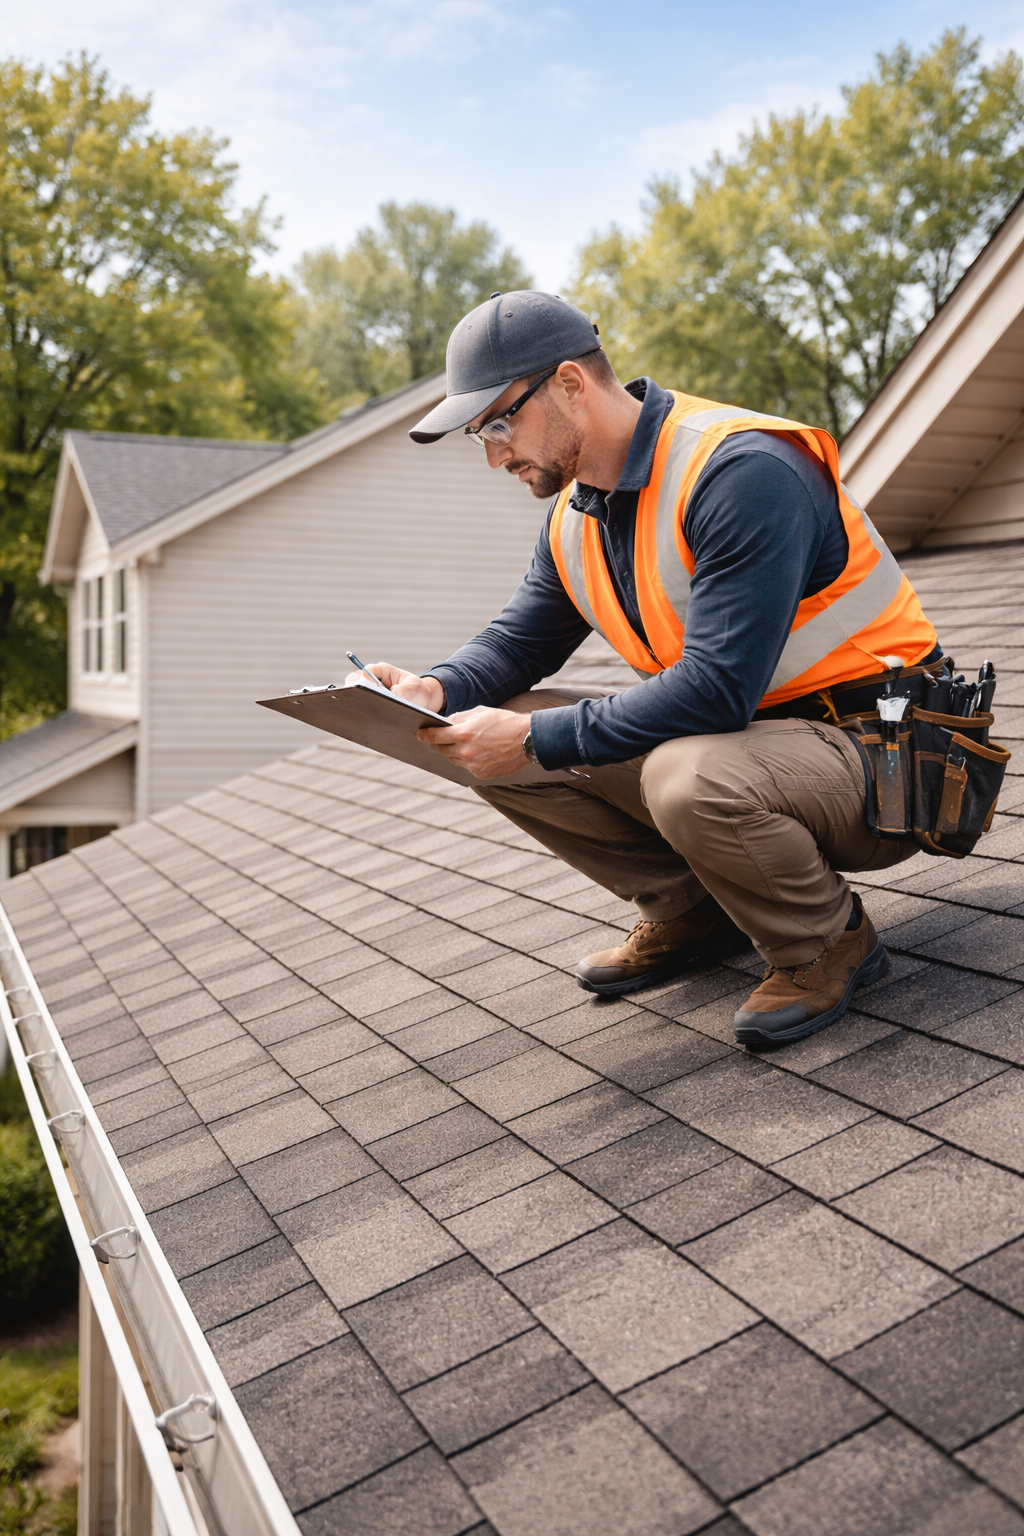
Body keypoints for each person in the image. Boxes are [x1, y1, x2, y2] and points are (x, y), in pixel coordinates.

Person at [347, 291, 942, 1046]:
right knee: (479, 731)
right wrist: (435, 689)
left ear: (569, 384)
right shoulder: (578, 514)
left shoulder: (741, 471)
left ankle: (824, 942)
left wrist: (531, 742)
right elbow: (516, 644)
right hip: (765, 751)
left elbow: (718, 691)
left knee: (670, 772)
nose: (495, 453)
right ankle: (694, 913)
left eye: (500, 421)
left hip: (891, 760)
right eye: (479, 434)